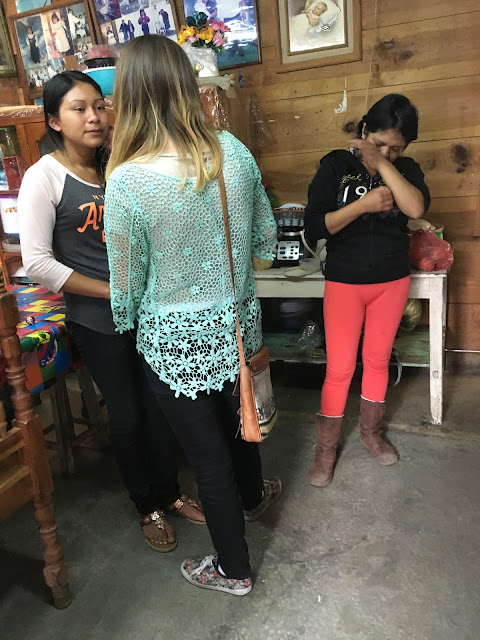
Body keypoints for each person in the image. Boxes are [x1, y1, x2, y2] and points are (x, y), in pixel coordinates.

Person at [104, 35, 281, 596]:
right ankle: (253, 499)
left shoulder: (127, 180)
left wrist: (127, 320)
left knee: (207, 458)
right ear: (186, 83)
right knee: (241, 423)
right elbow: (267, 238)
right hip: (237, 323)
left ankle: (233, 569)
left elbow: (126, 284)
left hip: (173, 343)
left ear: (129, 95)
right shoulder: (234, 151)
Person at [18, 71, 205, 554]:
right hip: (98, 320)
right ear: (54, 120)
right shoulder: (44, 177)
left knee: (160, 407)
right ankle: (147, 505)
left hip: (149, 310)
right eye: (78, 109)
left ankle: (170, 491)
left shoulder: (118, 165)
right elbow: (37, 262)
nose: (94, 117)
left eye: (99, 106)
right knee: (126, 415)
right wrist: (113, 293)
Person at [304, 94, 431, 487]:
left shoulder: (406, 170)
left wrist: (381, 164)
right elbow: (316, 227)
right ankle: (325, 449)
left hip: (391, 282)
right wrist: (363, 205)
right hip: (345, 281)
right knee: (340, 369)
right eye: (379, 144)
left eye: (397, 148)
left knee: (376, 362)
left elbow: (416, 209)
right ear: (363, 130)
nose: (388, 153)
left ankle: (371, 433)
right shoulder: (335, 166)